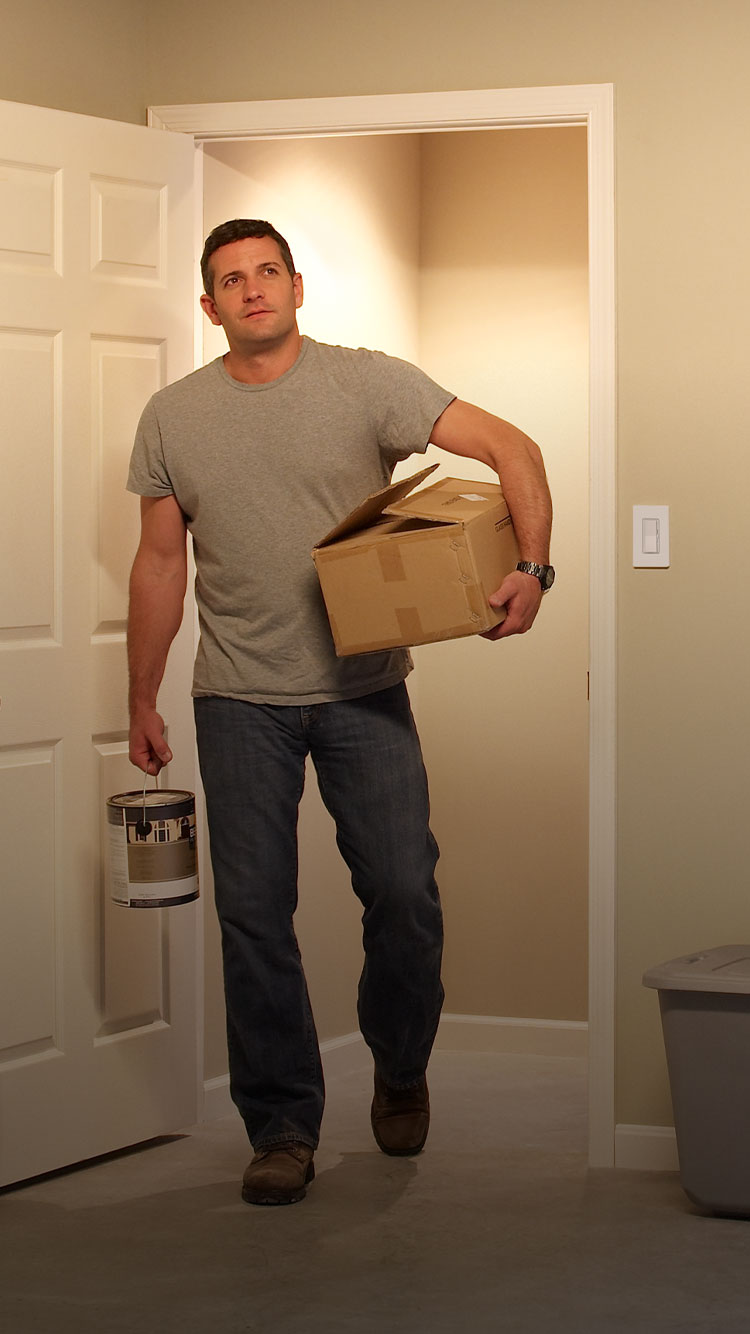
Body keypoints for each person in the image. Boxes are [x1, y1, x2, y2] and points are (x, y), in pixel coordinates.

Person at [126, 218, 554, 1207]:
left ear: (296, 284)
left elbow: (510, 445)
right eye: (230, 279)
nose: (251, 289)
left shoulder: (367, 383)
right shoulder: (171, 415)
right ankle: (282, 1126)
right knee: (252, 916)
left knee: (405, 894)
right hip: (237, 698)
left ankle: (401, 1063)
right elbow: (158, 562)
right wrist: (140, 694)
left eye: (266, 271)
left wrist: (531, 567)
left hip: (366, 690)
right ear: (209, 304)